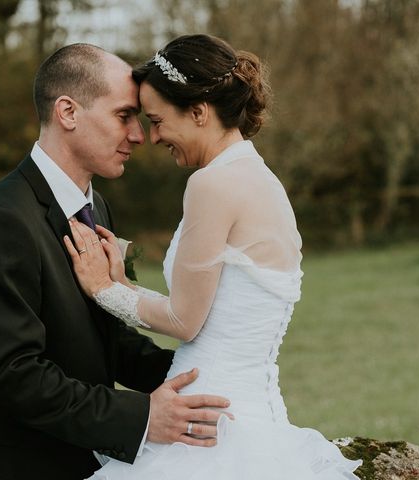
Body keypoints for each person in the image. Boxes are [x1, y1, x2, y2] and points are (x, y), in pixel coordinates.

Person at [64, 34, 363, 479]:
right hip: (251, 418)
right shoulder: (259, 179)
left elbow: (186, 321)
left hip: (207, 431)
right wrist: (126, 287)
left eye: (158, 120)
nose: (153, 135)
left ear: (200, 112)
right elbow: (215, 310)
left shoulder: (212, 186)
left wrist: (103, 290)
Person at [0, 43, 231, 480]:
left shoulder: (97, 210)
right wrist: (143, 416)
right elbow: (13, 375)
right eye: (123, 116)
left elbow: (106, 337)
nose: (138, 135)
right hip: (15, 465)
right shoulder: (1, 222)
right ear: (68, 112)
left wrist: (200, 377)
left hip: (81, 457)